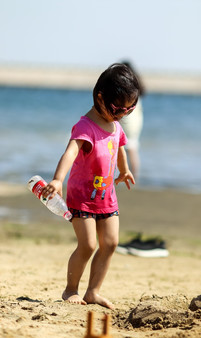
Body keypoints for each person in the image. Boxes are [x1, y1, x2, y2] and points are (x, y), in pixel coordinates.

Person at [41, 63, 140, 309]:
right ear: (100, 97)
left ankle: (93, 291)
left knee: (111, 243)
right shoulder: (85, 126)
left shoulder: (116, 125)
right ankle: (70, 290)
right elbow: (70, 152)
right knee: (88, 245)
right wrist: (57, 179)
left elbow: (120, 148)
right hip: (82, 197)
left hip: (107, 197)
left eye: (129, 109)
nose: (122, 115)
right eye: (118, 108)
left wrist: (124, 170)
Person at [119, 61, 145, 180]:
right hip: (137, 119)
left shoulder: (125, 84)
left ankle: (125, 174)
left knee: (123, 146)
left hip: (128, 118)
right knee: (132, 147)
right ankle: (134, 176)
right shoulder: (137, 84)